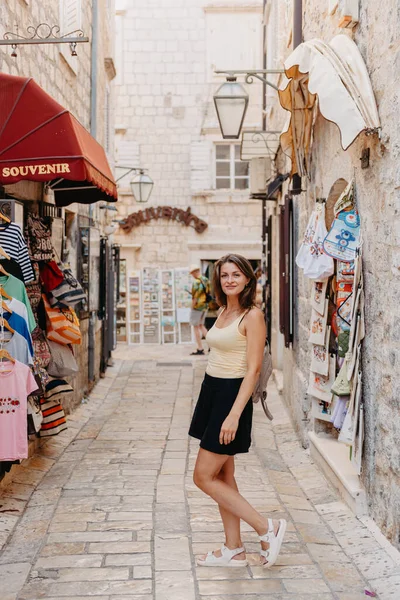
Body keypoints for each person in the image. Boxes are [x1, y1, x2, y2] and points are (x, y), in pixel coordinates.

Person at [189, 253, 286, 568]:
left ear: (247, 279)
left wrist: (233, 414)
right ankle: (233, 548)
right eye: (224, 275)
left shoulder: (252, 316)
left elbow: (253, 370)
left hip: (232, 396)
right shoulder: (222, 310)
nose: (229, 280)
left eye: (236, 275)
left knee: (203, 476)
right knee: (223, 474)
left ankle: (265, 527)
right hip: (212, 392)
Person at [189, 264, 210, 356]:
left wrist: (192, 307)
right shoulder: (206, 280)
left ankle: (200, 348)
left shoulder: (196, 282)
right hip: (205, 306)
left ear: (194, 272)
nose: (192, 275)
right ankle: (212, 346)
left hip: (197, 307)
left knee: (196, 326)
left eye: (192, 273)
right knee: (201, 326)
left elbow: (195, 297)